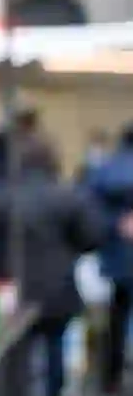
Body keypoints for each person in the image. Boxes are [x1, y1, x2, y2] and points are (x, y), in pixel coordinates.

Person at [0, 137, 104, 396]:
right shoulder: (69, 196)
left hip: (16, 288)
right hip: (59, 287)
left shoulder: (1, 197)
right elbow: (92, 238)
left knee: (17, 352)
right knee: (55, 348)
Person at [84, 124, 133, 395]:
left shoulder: (105, 170)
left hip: (117, 260)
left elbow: (89, 211)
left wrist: (116, 224)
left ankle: (110, 381)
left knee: (115, 317)